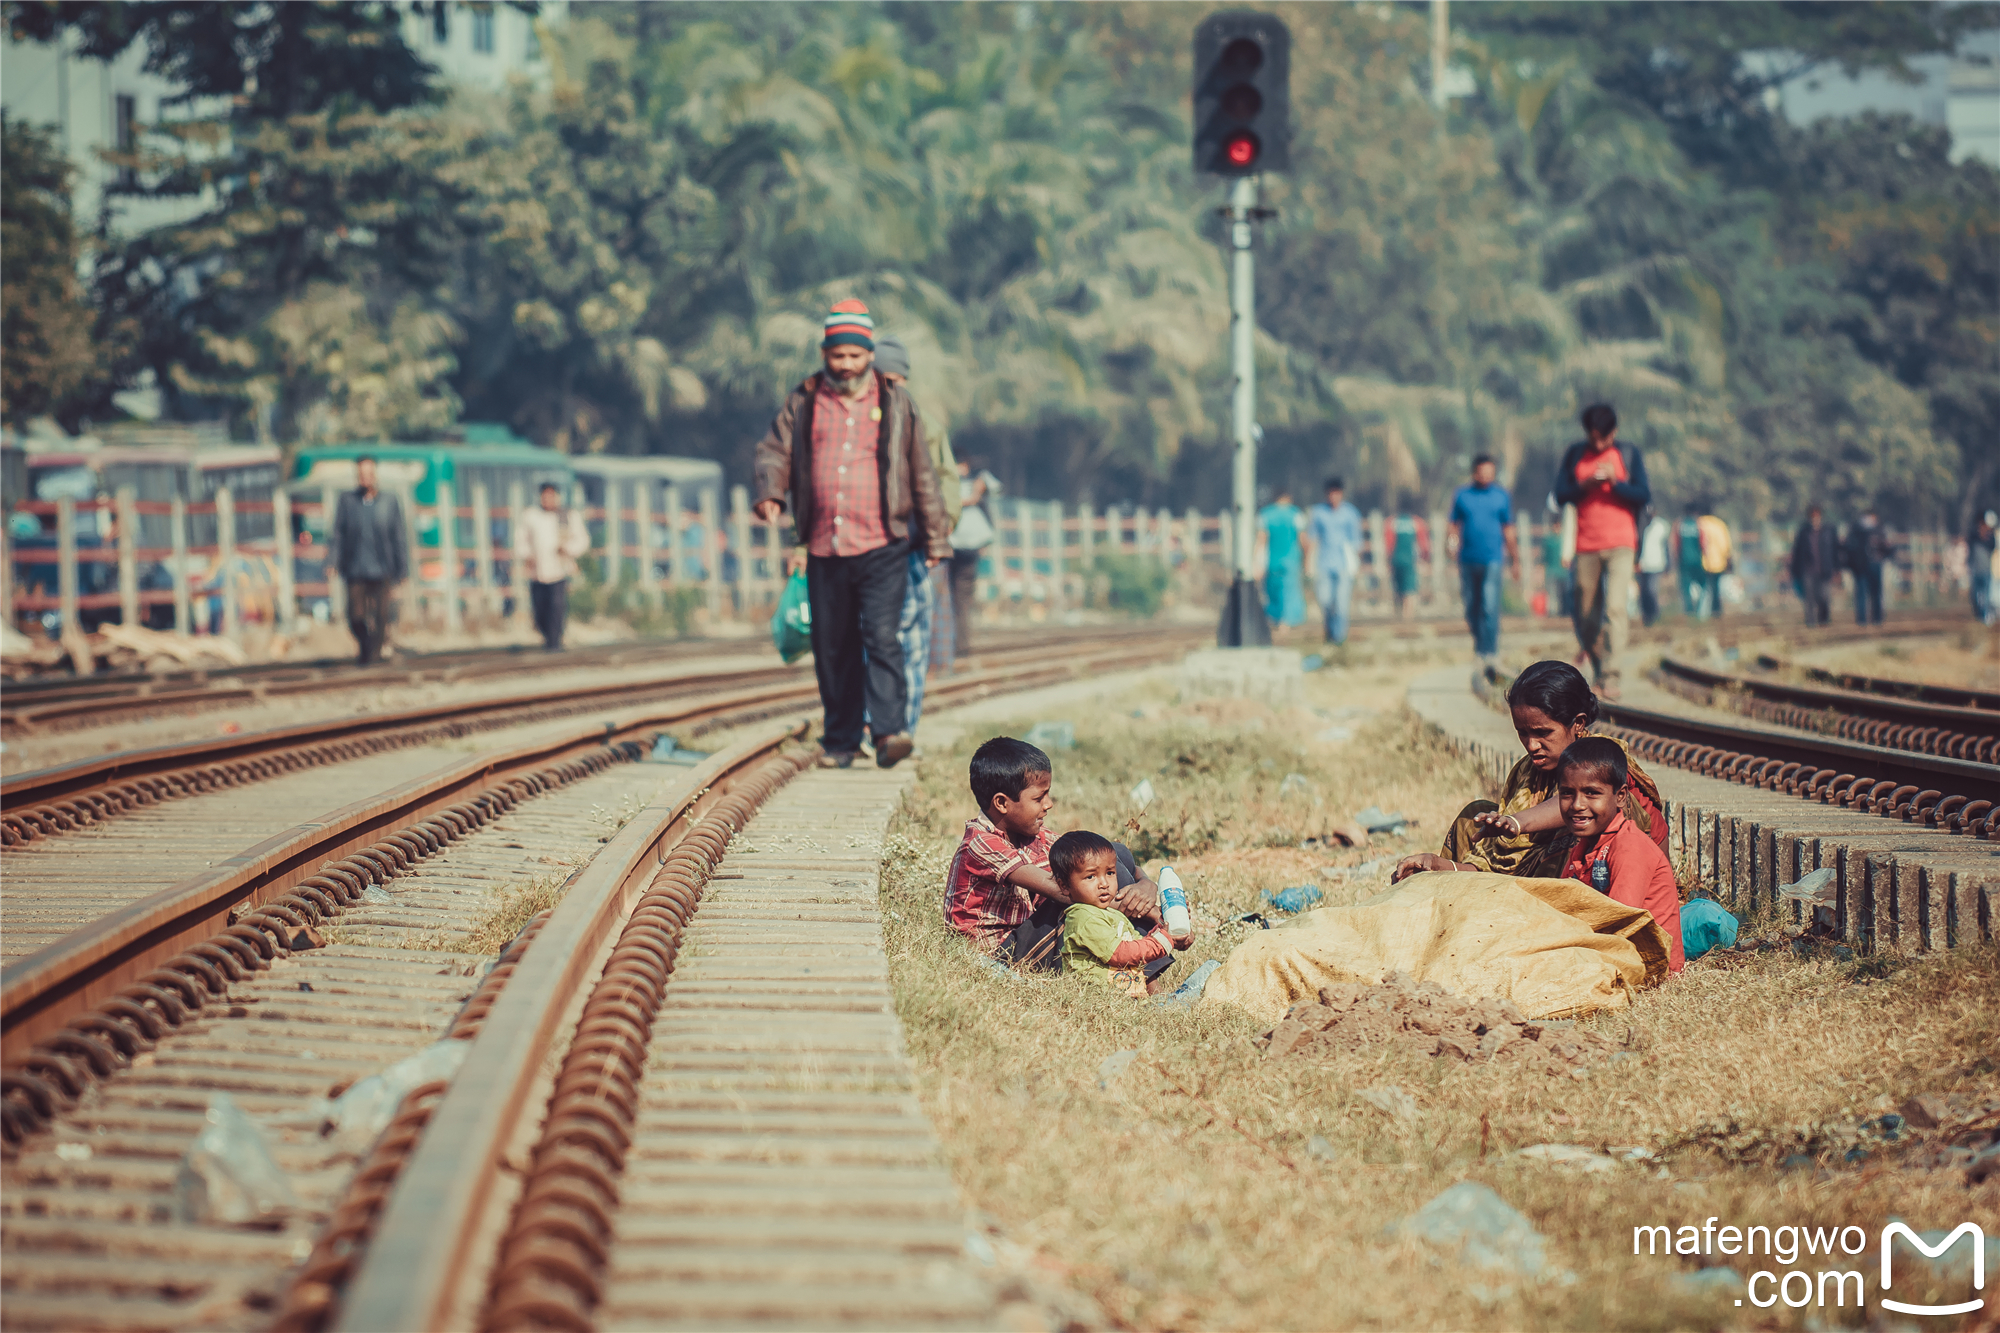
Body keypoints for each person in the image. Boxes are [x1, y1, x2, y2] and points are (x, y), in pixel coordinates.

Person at [752, 299, 951, 769]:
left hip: (883, 542)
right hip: (824, 543)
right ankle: (840, 742)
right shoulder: (802, 400)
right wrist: (770, 492)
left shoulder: (895, 402)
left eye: (854, 356)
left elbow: (922, 471)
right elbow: (773, 451)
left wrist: (937, 535)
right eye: (837, 356)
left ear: (868, 354)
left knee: (883, 637)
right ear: (826, 354)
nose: (845, 365)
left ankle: (887, 733)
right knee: (832, 642)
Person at [1393, 660, 1666, 884]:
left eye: (1543, 733)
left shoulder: (1604, 761)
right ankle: (1450, 888)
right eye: (1522, 733)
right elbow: (1502, 863)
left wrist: (1517, 822)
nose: (1532, 745)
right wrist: (1440, 866)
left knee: (1574, 830)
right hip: (1527, 879)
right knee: (1472, 815)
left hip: (1625, 887)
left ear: (1578, 723)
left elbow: (1570, 807)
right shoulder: (1529, 774)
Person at [943, 737, 1163, 968]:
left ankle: (1144, 965)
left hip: (1026, 938)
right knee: (1078, 890)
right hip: (997, 955)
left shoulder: (1035, 836)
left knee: (1112, 853)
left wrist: (1146, 884)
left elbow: (1100, 860)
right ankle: (1153, 983)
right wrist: (1152, 913)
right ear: (1001, 803)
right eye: (1039, 798)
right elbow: (1061, 892)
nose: (1048, 804)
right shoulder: (981, 843)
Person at [871, 333, 960, 727]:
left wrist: (940, 530)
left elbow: (946, 482)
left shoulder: (926, 423)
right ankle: (868, 722)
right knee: (866, 638)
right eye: (882, 379)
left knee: (911, 638)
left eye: (896, 380)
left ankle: (902, 727)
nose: (890, 387)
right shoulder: (853, 425)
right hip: (863, 549)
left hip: (911, 549)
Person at [1555, 737, 1683, 973]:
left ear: (1621, 796)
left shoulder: (1630, 845)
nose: (1577, 805)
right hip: (1607, 951)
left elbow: (1619, 922)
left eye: (1592, 793)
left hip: (1644, 966)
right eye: (1567, 793)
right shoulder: (1583, 846)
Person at [1553, 403, 1650, 699]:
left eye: (1604, 439)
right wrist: (1584, 484)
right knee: (1585, 614)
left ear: (1614, 433)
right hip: (1586, 545)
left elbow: (1643, 495)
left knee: (1616, 609)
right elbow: (1560, 495)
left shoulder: (1628, 454)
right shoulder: (1575, 455)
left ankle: (1611, 676)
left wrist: (1615, 482)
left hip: (1622, 542)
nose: (1598, 444)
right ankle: (1598, 667)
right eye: (1593, 438)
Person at [1055, 829, 1182, 996]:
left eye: (1110, 873)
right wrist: (1160, 943)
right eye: (1091, 877)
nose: (1104, 884)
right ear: (1064, 886)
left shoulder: (1110, 913)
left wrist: (1160, 932)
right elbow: (1121, 953)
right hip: (1100, 999)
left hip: (1125, 994)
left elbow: (1136, 942)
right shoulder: (1083, 917)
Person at [329, 456, 408, 665]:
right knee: (355, 617)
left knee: (382, 617)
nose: (366, 478)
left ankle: (373, 659)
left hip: (383, 568)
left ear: (375, 475)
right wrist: (332, 561)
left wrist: (403, 570)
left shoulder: (389, 502)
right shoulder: (347, 501)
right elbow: (338, 534)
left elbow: (398, 536)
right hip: (355, 568)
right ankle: (366, 646)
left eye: (369, 473)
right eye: (361, 474)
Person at [1447, 454, 1517, 663]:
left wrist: (1515, 558)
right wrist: (1451, 544)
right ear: (1474, 472)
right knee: (1472, 605)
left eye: (1490, 472)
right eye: (1482, 471)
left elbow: (1508, 528)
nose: (1486, 475)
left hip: (1493, 559)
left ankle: (1490, 652)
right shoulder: (1462, 495)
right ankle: (1479, 646)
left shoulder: (1501, 496)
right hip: (1468, 559)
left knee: (1490, 605)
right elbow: (1453, 524)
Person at [515, 481, 589, 650]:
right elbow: (520, 540)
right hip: (537, 571)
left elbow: (582, 540)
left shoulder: (568, 515)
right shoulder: (531, 516)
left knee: (557, 606)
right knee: (540, 607)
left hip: (559, 570)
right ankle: (546, 634)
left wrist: (568, 549)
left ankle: (554, 642)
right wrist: (527, 555)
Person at [949, 457, 998, 660]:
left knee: (957, 599)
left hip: (953, 550)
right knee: (960, 600)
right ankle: (959, 644)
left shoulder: (952, 485)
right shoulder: (973, 488)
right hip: (960, 551)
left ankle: (957, 644)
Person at [1306, 475, 1362, 645]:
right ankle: (1329, 632)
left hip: (1344, 565)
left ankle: (1339, 639)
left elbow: (1356, 542)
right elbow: (1312, 539)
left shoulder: (1350, 513)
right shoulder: (1318, 513)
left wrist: (1356, 565)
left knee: (1341, 603)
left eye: (1337, 493)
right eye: (1331, 494)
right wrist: (1308, 563)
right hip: (1324, 563)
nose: (1334, 497)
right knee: (1325, 601)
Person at [1255, 487, 1306, 628]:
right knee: (1289, 591)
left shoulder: (1265, 514)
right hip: (1291, 561)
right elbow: (1302, 539)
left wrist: (1255, 560)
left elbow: (1261, 539)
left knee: (1272, 591)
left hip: (1272, 561)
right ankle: (1286, 623)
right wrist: (1306, 559)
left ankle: (1274, 621)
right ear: (1288, 498)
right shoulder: (1295, 514)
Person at [1789, 505, 1840, 628]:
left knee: (1824, 597)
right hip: (1807, 571)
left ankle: (1824, 621)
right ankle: (1810, 623)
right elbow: (1797, 552)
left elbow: (1835, 550)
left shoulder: (1829, 531)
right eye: (1812, 517)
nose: (1814, 519)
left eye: (1817, 516)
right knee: (1809, 599)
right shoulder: (1803, 532)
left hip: (1825, 570)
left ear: (1821, 517)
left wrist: (1837, 569)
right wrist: (1794, 571)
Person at [1843, 509, 1891, 626]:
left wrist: (1885, 553)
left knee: (1876, 593)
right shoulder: (1856, 530)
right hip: (1860, 567)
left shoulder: (1879, 530)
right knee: (1861, 594)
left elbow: (1886, 547)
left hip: (1875, 565)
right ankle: (1862, 620)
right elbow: (1849, 548)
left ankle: (1877, 619)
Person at [1389, 507, 1426, 620]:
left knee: (1398, 588)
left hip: (1396, 559)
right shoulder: (1416, 522)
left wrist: (1389, 560)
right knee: (1410, 588)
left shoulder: (1392, 522)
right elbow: (1423, 544)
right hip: (1411, 560)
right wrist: (1424, 558)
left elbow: (1389, 544)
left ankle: (1398, 615)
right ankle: (1408, 617)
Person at [1636, 513, 1670, 627]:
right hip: (1642, 564)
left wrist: (1668, 564)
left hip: (1656, 564)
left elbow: (1666, 546)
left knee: (1652, 590)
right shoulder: (1639, 523)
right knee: (1643, 592)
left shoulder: (1661, 526)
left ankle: (1655, 615)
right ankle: (1646, 616)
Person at [1675, 514, 1708, 619]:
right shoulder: (1698, 525)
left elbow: (1676, 544)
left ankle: (1689, 611)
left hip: (1684, 561)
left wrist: (1676, 559)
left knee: (1686, 587)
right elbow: (1703, 543)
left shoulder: (1680, 525)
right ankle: (1700, 610)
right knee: (1702, 586)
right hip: (1697, 561)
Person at [1972, 511, 1998, 626]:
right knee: (1976, 596)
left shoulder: (1991, 538)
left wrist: (1985, 535)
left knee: (1987, 596)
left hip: (1988, 571)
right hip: (1977, 571)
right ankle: (1980, 616)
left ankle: (1986, 615)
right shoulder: (1974, 536)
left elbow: (1991, 546)